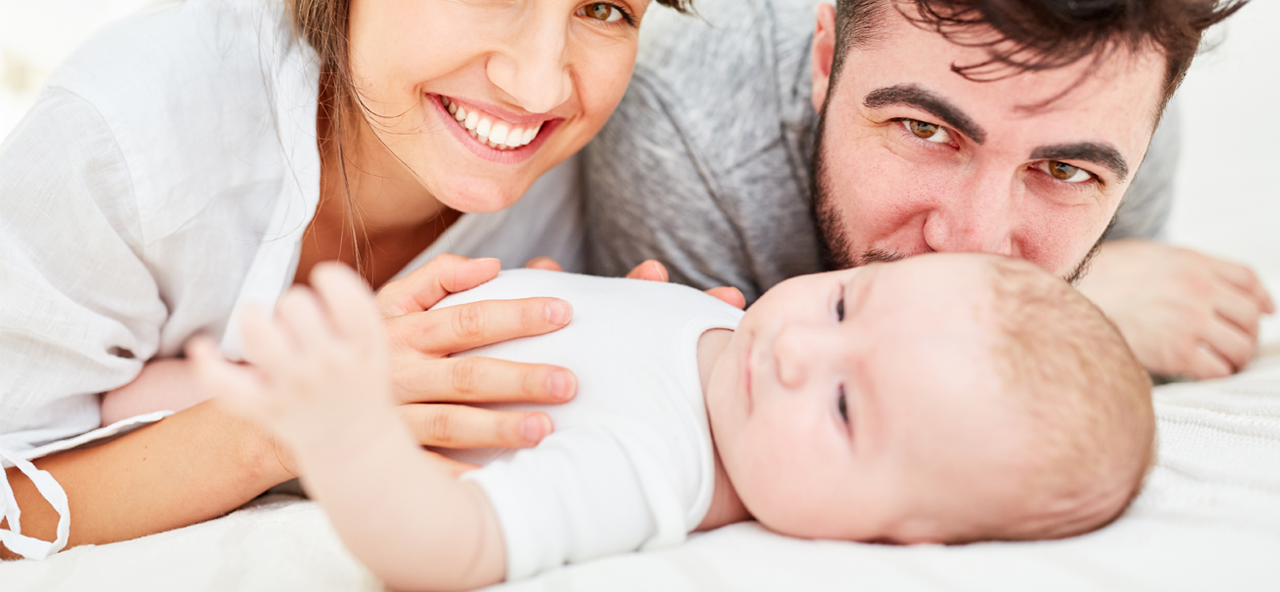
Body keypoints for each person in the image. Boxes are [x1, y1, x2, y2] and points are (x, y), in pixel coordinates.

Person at [0, 0, 699, 559]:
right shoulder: (129, 132)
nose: (541, 85)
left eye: (607, 8)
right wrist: (291, 427)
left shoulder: (609, 174)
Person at [585, 0, 1275, 382]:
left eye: (1059, 169)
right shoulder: (688, 129)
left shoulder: (1117, 119)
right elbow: (744, 418)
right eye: (925, 128)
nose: (970, 243)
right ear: (824, 61)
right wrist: (1087, 311)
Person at [191, 255, 1155, 590]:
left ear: (906, 533)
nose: (793, 352)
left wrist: (346, 432)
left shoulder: (656, 469)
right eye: (845, 305)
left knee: (136, 408)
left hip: (295, 393)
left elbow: (448, 549)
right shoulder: (735, 329)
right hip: (332, 314)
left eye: (846, 405)